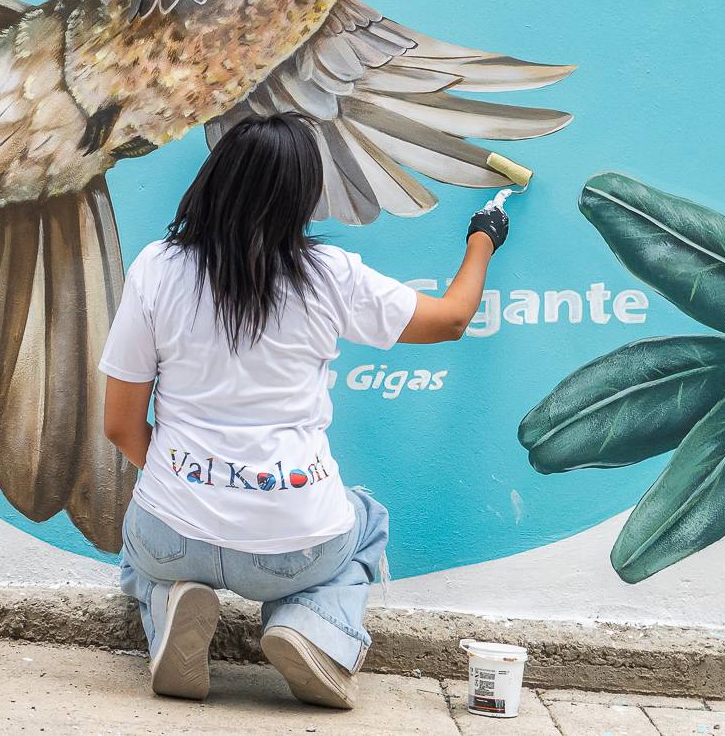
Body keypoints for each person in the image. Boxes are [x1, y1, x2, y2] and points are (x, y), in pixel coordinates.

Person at [98, 112, 513, 710]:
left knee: (145, 549)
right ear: (303, 196)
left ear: (214, 177)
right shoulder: (331, 277)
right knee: (364, 520)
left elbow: (119, 424)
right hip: (292, 539)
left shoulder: (156, 268)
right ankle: (311, 625)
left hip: (176, 530)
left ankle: (169, 607)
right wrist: (482, 239)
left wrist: (183, 476)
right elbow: (451, 320)